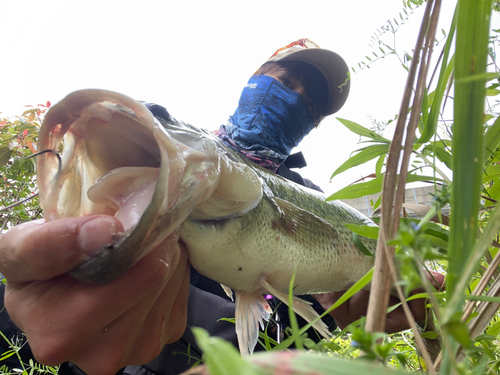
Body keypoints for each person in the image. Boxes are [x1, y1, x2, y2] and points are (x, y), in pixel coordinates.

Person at [0, 39, 443, 375]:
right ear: (254, 79)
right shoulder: (166, 157)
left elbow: (271, 332)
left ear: (315, 125)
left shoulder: (309, 196)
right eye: (284, 80)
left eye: (308, 102)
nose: (291, 97)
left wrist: (330, 311)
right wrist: (21, 314)